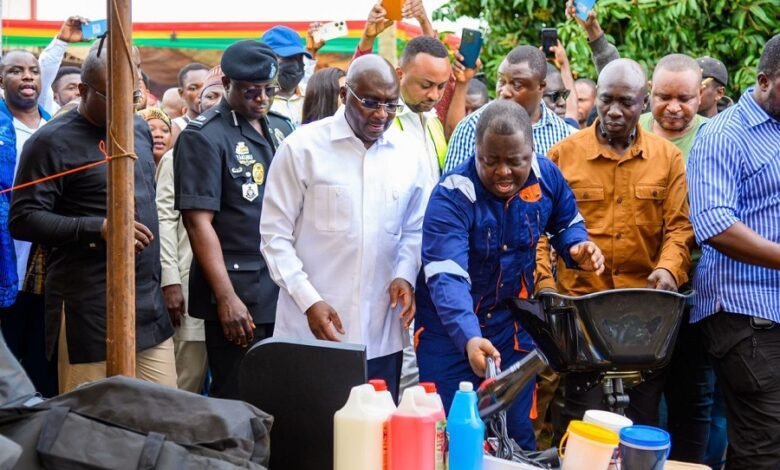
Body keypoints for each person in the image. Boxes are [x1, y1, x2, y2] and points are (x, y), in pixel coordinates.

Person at [416, 100, 604, 448]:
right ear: (476, 152)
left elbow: (567, 223)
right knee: (450, 440)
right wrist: (469, 337)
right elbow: (447, 276)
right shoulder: (452, 195)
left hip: (510, 333)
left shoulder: (547, 177)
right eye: (491, 161)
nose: (503, 172)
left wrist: (577, 247)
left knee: (515, 439)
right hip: (450, 333)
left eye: (514, 161)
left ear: (531, 153)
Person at [535, 58, 694, 442]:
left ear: (644, 102)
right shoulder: (562, 156)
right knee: (583, 426)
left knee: (639, 428)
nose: (615, 111)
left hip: (643, 317)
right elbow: (538, 231)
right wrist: (545, 286)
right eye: (606, 101)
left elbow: (679, 228)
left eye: (626, 102)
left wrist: (670, 270)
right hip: (580, 314)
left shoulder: (667, 157)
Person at [260, 55, 430, 402]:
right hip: (311, 333)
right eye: (369, 102)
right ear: (345, 95)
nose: (381, 114)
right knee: (311, 440)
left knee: (374, 441)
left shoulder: (409, 155)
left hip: (382, 335)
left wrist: (404, 274)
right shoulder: (302, 148)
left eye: (390, 104)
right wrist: (309, 301)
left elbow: (416, 228)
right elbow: (274, 237)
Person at [8, 44, 176, 394]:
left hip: (147, 304)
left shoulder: (139, 129)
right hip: (88, 307)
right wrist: (97, 228)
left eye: (133, 95)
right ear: (83, 91)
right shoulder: (50, 141)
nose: (125, 106)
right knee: (92, 428)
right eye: (110, 96)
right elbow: (23, 219)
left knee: (163, 413)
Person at [174, 40, 294, 399]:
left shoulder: (281, 127)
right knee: (239, 397)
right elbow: (198, 222)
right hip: (238, 290)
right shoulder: (204, 136)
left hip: (282, 286)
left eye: (268, 90)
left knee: (281, 397)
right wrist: (226, 297)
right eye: (250, 91)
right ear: (226, 83)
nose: (261, 99)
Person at [687, 34, 780, 470]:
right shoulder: (725, 134)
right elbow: (715, 224)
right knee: (765, 447)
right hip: (745, 314)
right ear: (764, 80)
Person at [154, 72, 223, 394]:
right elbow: (164, 219)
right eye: (208, 96)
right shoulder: (176, 155)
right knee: (187, 383)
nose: (214, 102)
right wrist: (170, 279)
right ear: (194, 101)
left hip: (238, 290)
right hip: (188, 280)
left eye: (222, 95)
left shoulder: (246, 152)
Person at [0, 49, 56, 396]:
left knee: (41, 347)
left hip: (49, 251)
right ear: (1, 79)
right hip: (7, 252)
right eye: (16, 71)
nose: (27, 78)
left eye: (33, 71)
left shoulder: (55, 126)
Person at [444, 46, 573, 173]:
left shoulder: (563, 134)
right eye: (501, 81)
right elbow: (452, 189)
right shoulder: (470, 127)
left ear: (541, 86)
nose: (504, 92)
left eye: (517, 85)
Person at [639, 54, 708, 161]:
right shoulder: (631, 131)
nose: (673, 108)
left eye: (684, 99)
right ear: (651, 89)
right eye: (664, 97)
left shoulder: (715, 136)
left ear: (700, 94)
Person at [261, 26, 312, 127]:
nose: (296, 65)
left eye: (299, 58)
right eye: (288, 58)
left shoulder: (311, 97)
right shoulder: (258, 102)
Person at [171, 63, 209, 139]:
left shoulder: (224, 125)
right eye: (193, 88)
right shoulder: (175, 128)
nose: (201, 93)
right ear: (181, 93)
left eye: (206, 86)